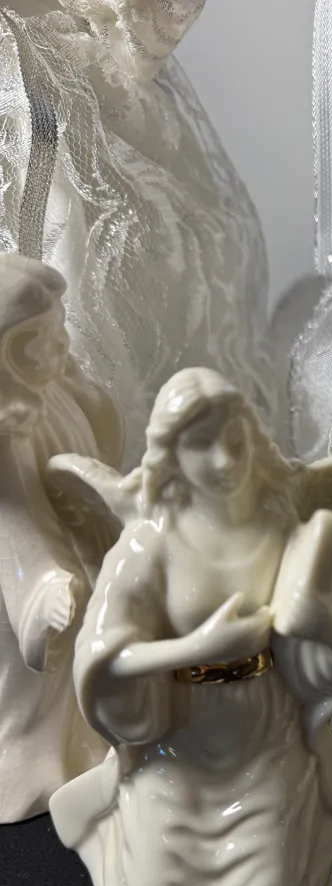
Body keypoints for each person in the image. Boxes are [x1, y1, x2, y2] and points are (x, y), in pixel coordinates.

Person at [49, 367, 332, 886]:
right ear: (171, 452)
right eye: (201, 445)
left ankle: (301, 847)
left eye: (235, 439)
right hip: (172, 760)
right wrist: (196, 649)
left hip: (268, 755)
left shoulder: (285, 529)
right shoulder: (149, 544)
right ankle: (120, 843)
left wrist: (323, 621)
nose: (226, 460)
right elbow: (99, 655)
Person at [0, 253, 121, 822]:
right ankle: (32, 762)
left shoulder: (52, 395)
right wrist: (42, 591)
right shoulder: (9, 436)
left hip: (81, 552)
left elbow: (102, 449)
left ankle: (82, 741)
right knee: (33, 689)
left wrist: (84, 392)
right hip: (33, 582)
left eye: (59, 330)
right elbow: (15, 531)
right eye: (43, 341)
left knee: (83, 670)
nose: (60, 345)